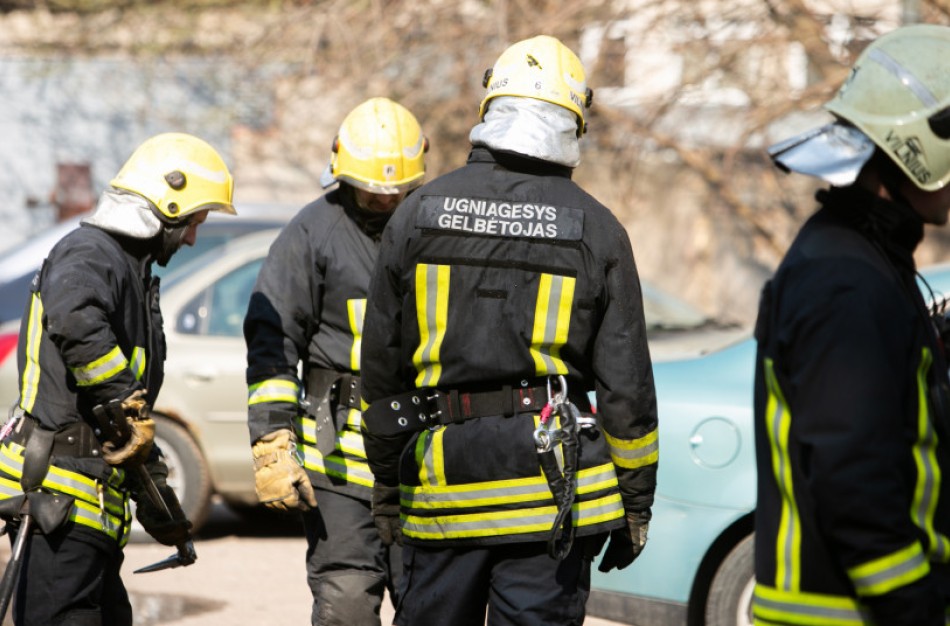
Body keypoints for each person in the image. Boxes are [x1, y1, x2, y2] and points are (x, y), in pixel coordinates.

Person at [358, 35, 658, 626]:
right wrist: (634, 503)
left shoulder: (417, 215)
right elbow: (627, 388)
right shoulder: (598, 230)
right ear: (573, 121)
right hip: (553, 497)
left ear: (489, 110)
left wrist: (388, 485)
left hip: (444, 491)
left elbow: (382, 368)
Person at [755, 24, 950, 625]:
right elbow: (854, 474)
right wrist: (911, 604)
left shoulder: (863, 260)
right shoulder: (847, 282)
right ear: (920, 145)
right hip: (840, 613)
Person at [0, 132, 236, 625]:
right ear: (166, 206)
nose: (193, 236)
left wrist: (161, 505)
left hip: (89, 511)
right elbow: (74, 318)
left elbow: (127, 426)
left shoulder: (129, 270)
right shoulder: (91, 253)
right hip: (57, 506)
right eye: (194, 221)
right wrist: (123, 399)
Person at [243, 97, 428, 626]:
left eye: (395, 193)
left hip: (423, 458)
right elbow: (271, 339)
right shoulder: (311, 233)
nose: (383, 200)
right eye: (371, 191)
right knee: (346, 601)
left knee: (433, 604)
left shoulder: (433, 226)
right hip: (339, 463)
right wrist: (272, 443)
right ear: (342, 174)